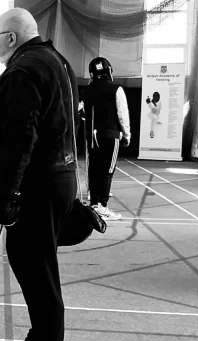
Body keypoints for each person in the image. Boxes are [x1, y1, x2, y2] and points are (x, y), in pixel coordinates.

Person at [0, 8, 77, 341]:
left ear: (10, 38)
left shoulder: (24, 69)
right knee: (31, 263)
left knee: (38, 272)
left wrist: (6, 195)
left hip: (38, 185)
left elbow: (22, 138)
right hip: (58, 178)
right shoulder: (57, 60)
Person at [80, 56, 130, 221]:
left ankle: (94, 205)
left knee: (94, 170)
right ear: (109, 71)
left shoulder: (86, 91)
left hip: (92, 137)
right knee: (107, 171)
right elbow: (122, 114)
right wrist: (127, 135)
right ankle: (102, 207)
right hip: (110, 136)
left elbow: (82, 113)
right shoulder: (116, 89)